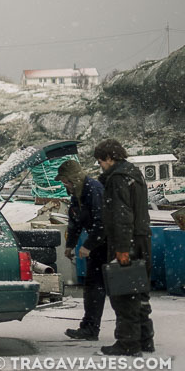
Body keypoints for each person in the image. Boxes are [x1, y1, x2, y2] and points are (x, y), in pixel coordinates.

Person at [93, 138, 155, 356]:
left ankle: (128, 343)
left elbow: (121, 215)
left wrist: (121, 249)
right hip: (142, 238)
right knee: (139, 290)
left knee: (124, 293)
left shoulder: (118, 179)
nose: (100, 165)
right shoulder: (134, 175)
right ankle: (146, 339)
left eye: (101, 161)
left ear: (109, 158)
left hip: (126, 241)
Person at [56, 159, 106, 341]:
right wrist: (70, 245)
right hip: (97, 245)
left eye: (66, 181)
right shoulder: (76, 194)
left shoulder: (94, 190)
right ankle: (89, 327)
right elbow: (76, 221)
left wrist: (88, 245)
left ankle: (94, 328)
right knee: (93, 287)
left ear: (74, 179)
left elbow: (103, 222)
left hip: (108, 245)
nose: (64, 185)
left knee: (102, 288)